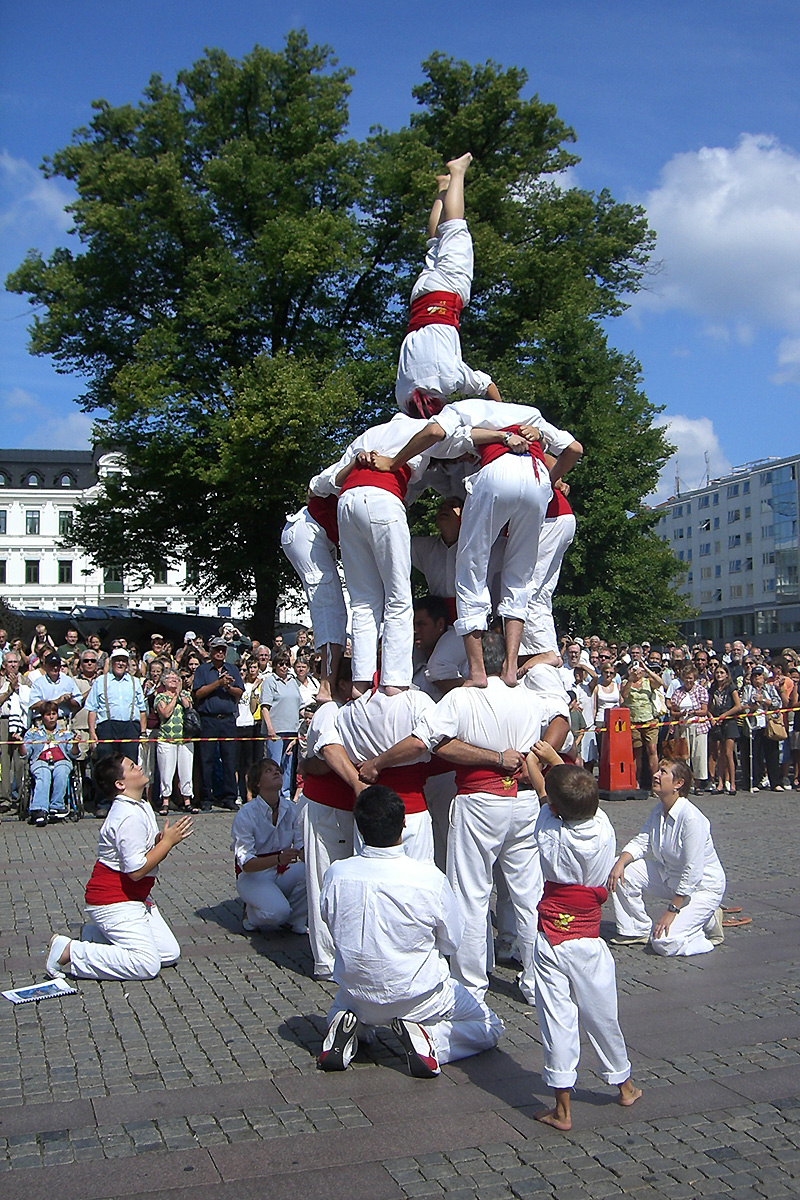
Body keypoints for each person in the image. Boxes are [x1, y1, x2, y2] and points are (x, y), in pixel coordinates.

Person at [358, 632, 565, 1005]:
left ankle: (471, 985)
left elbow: (426, 741)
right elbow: (562, 720)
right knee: (528, 892)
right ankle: (538, 981)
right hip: (523, 801)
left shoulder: (462, 697)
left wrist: (378, 762)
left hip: (481, 800)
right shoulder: (527, 696)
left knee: (471, 893)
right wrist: (536, 756)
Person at [376, 398, 582, 686]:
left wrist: (393, 461)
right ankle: (511, 667)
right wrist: (549, 479)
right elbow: (574, 449)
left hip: (497, 476)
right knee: (521, 577)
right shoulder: (529, 413)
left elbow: (436, 434)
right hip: (536, 483)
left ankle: (477, 672)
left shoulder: (462, 410)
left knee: (471, 570)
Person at [317, 785, 503, 1076]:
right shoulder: (429, 878)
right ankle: (430, 1041)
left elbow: (329, 922)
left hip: (355, 991)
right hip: (419, 994)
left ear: (359, 826)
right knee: (490, 1027)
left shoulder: (336, 873)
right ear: (404, 823)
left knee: (345, 1007)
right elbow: (452, 942)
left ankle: (349, 1029)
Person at [524, 755, 640, 1132]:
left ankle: (562, 1108)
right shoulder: (604, 828)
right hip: (588, 936)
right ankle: (624, 1083)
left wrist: (532, 760)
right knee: (602, 1012)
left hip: (551, 934)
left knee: (557, 1018)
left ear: (556, 809)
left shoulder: (548, 831)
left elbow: (545, 794)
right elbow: (570, 796)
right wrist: (556, 763)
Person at [44, 753, 192, 981]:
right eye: (132, 767)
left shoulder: (140, 805)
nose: (139, 767)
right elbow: (136, 870)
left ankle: (93, 936)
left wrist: (159, 841)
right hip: (112, 900)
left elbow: (139, 851)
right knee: (146, 964)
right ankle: (70, 951)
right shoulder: (126, 815)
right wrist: (167, 842)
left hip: (132, 898)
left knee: (168, 952)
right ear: (120, 784)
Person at [395, 154, 499, 416]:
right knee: (435, 245)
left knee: (455, 230)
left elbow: (487, 385)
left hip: (446, 294)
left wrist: (503, 414)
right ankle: (443, 188)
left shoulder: (448, 379)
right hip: (420, 296)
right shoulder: (403, 393)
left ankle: (457, 173)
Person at [608, 759, 726, 956]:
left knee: (663, 942)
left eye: (663, 772)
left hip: (702, 888)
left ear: (678, 783)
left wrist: (672, 911)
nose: (656, 775)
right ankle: (636, 929)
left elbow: (693, 871)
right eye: (658, 771)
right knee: (620, 870)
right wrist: (620, 862)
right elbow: (642, 841)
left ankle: (703, 930)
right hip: (672, 877)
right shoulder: (659, 810)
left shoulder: (691, 819)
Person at [231, 758, 307, 933]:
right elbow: (247, 864)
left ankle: (295, 919)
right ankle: (250, 914)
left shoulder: (291, 808)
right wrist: (279, 858)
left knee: (309, 871)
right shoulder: (246, 814)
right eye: (268, 771)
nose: (276, 772)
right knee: (278, 912)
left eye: (277, 769)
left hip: (281, 870)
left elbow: (301, 845)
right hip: (253, 876)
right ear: (257, 783)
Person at [84, 649, 148, 819]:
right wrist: (92, 732)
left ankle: (130, 801)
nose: (120, 663)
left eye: (124, 661)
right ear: (111, 662)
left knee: (130, 766)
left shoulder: (134, 682)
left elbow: (142, 710)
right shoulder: (100, 681)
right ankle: (104, 803)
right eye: (117, 660)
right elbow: (92, 709)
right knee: (106, 766)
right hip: (107, 726)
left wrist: (142, 732)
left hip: (130, 726)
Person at [192, 637, 244, 812]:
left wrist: (228, 687)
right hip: (209, 720)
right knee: (206, 760)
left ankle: (229, 797)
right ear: (210, 651)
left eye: (223, 650)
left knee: (229, 760)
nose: (220, 653)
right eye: (217, 650)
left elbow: (240, 692)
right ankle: (206, 797)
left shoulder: (233, 669)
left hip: (228, 720)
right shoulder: (202, 670)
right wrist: (218, 683)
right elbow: (198, 693)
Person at [23, 701, 81, 825]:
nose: (51, 717)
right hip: (40, 760)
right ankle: (39, 810)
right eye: (48, 714)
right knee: (44, 774)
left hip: (61, 760)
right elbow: (25, 754)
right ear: (42, 716)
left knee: (62, 770)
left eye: (54, 714)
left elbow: (73, 754)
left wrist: (75, 744)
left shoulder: (65, 734)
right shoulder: (33, 733)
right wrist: (20, 745)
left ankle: (56, 806)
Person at [260, 652, 304, 801]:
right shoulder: (269, 681)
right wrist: (270, 729)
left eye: (286, 664)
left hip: (291, 729)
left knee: (288, 765)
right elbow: (264, 707)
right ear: (275, 665)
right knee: (274, 765)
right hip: (276, 730)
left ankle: (285, 794)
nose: (284, 667)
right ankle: (273, 794)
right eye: (280, 664)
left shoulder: (293, 681)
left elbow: (299, 705)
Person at [155, 670, 197, 814]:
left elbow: (188, 707)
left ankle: (187, 801)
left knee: (186, 771)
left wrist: (179, 694)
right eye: (170, 678)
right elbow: (165, 713)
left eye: (176, 678)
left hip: (185, 739)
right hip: (167, 739)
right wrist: (173, 698)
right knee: (167, 772)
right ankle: (165, 801)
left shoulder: (185, 695)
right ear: (164, 682)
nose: (174, 680)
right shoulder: (160, 696)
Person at [621, 660, 664, 790]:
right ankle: (636, 780)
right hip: (634, 721)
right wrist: (630, 679)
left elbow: (660, 683)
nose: (636, 672)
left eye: (638, 669)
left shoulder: (648, 682)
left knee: (652, 750)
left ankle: (654, 782)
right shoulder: (625, 683)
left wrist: (646, 668)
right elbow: (624, 694)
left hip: (649, 720)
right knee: (636, 752)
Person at [740, 665, 783, 791]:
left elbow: (777, 703)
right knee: (755, 754)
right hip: (754, 725)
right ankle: (755, 781)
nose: (757, 678)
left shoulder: (769, 688)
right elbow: (743, 705)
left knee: (772, 754)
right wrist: (753, 705)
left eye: (759, 675)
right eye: (755, 676)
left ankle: (776, 782)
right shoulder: (748, 689)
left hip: (769, 724)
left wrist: (763, 700)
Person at [707, 664, 743, 794]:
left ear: (727, 674)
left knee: (728, 753)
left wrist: (724, 716)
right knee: (719, 753)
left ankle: (732, 783)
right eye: (717, 673)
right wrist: (711, 717)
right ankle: (720, 783)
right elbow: (709, 706)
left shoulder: (731, 687)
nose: (719, 675)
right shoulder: (713, 688)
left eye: (722, 672)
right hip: (717, 722)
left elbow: (738, 706)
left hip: (729, 721)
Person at [29, 651, 83, 720]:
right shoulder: (38, 683)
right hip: (43, 721)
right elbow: (33, 705)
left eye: (57, 665)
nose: (55, 668)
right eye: (52, 665)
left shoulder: (68, 681)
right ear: (45, 666)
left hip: (62, 720)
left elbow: (78, 702)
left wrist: (68, 700)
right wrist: (56, 701)